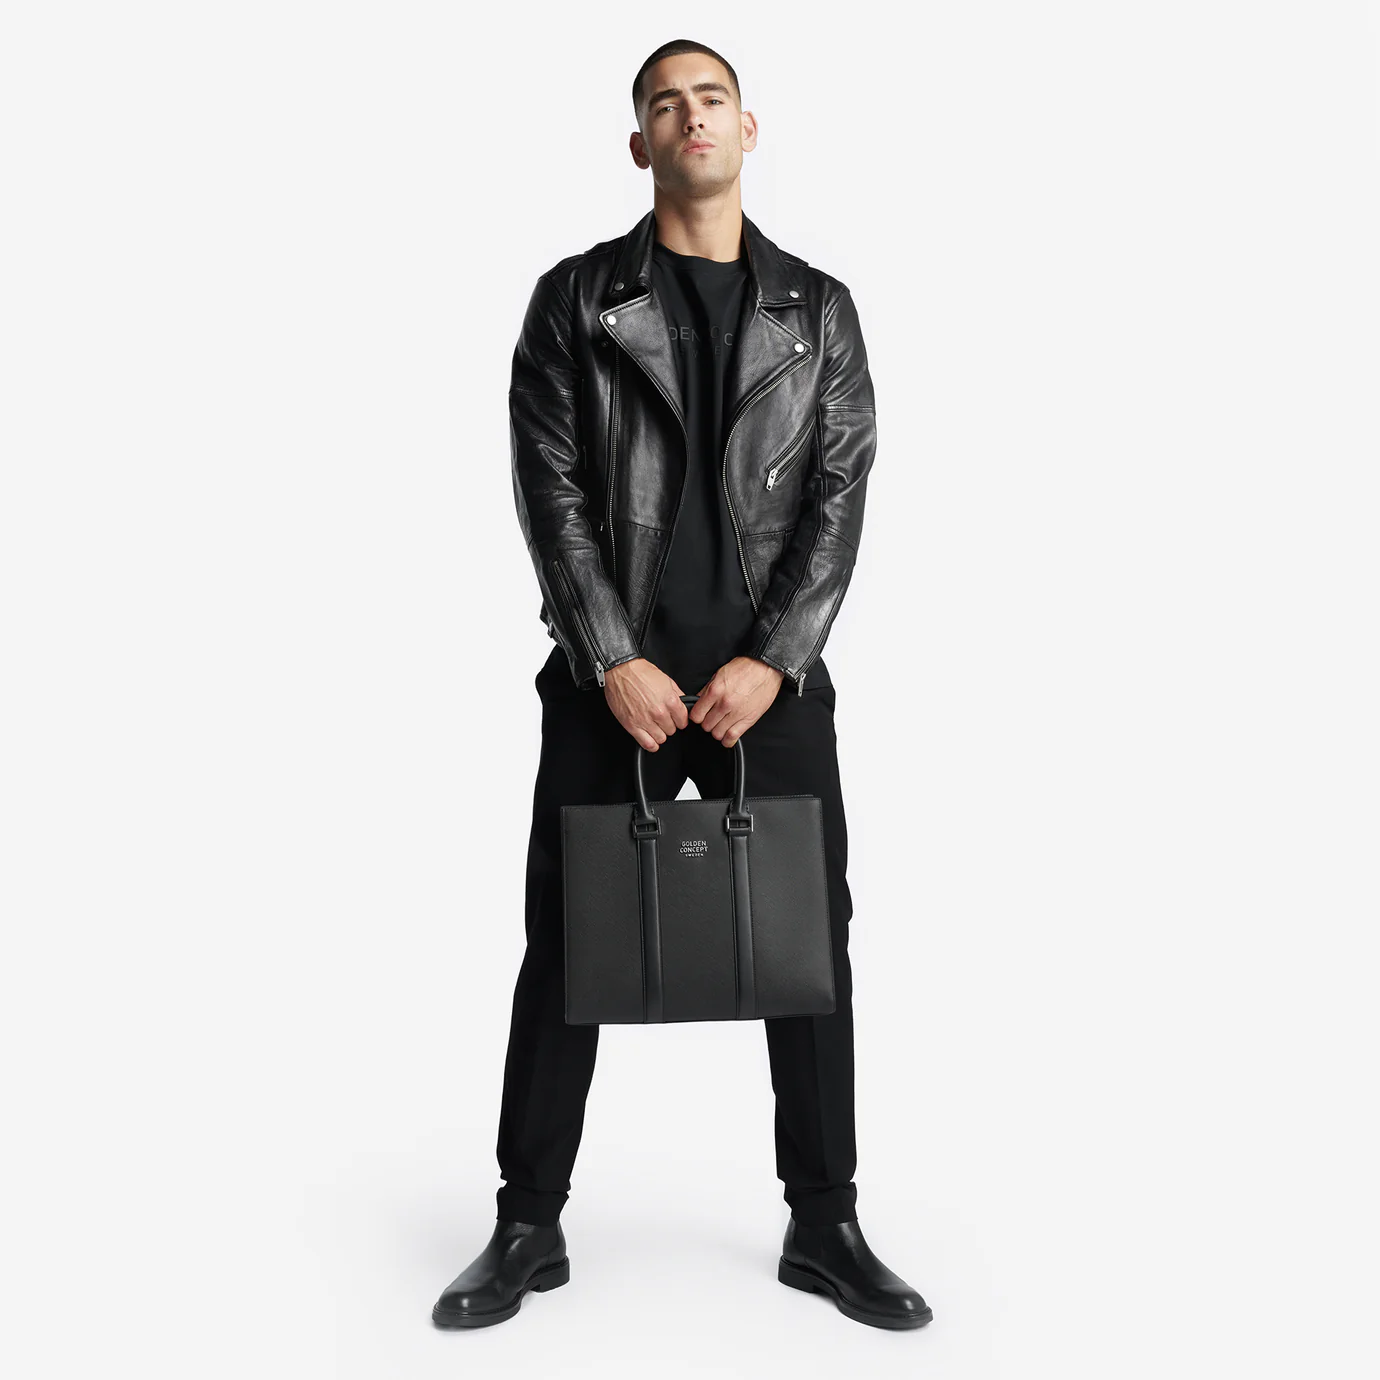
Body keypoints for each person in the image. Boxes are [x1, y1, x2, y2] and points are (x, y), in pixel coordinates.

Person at [432, 39, 932, 1332]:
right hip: (616, 682)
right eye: (666, 103)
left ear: (749, 129)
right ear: (638, 142)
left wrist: (776, 657)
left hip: (772, 684)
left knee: (809, 948)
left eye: (711, 99)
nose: (690, 116)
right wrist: (612, 656)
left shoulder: (818, 310)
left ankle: (825, 1224)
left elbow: (840, 493)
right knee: (567, 943)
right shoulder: (574, 300)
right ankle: (527, 1225)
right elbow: (548, 491)